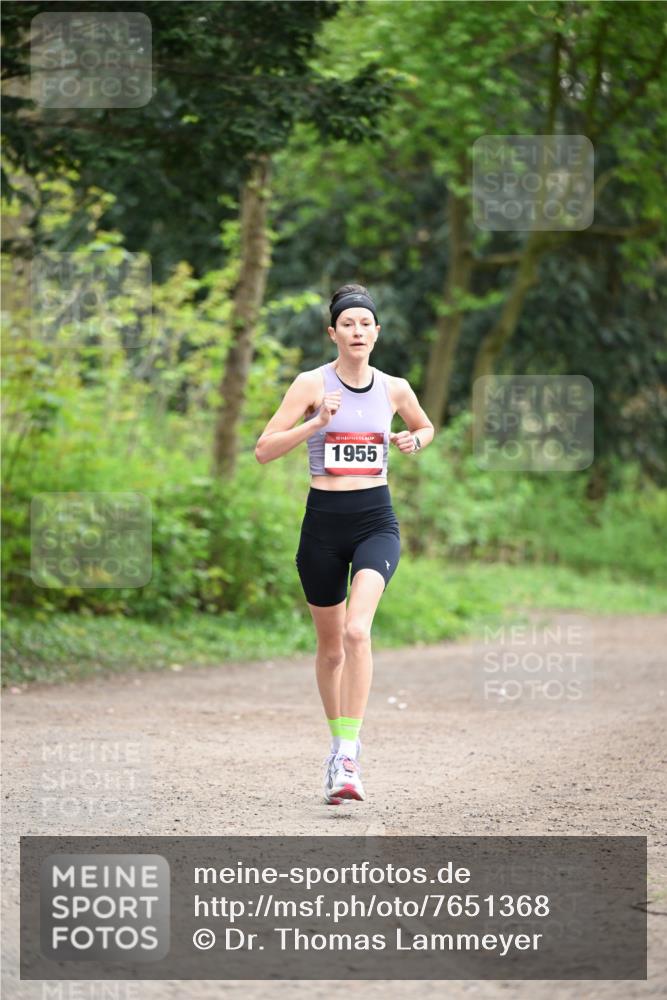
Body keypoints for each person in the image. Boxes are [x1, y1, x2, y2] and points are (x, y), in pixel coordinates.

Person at [255, 284, 434, 804]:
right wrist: (316, 423)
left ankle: (350, 756)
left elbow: (426, 427)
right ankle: (337, 748)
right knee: (331, 650)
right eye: (348, 324)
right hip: (322, 526)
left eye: (366, 323)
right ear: (333, 333)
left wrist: (413, 440)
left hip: (376, 520)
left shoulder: (395, 388)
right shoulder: (311, 383)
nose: (357, 331)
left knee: (358, 632)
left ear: (377, 332)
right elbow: (264, 450)